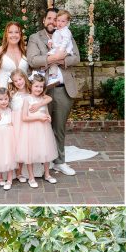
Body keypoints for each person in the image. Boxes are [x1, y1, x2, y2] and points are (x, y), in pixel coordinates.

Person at [27, 9, 81, 177]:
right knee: (40, 127)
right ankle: (40, 162)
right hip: (42, 91)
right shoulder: (35, 38)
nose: (53, 21)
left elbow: (76, 57)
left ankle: (59, 162)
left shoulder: (66, 34)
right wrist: (53, 59)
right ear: (44, 21)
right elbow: (32, 60)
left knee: (59, 128)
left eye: (56, 19)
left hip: (63, 89)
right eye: (49, 18)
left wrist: (61, 60)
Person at [16, 72, 58, 188]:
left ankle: (47, 174)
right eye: (36, 86)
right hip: (31, 130)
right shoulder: (27, 99)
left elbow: (46, 112)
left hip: (44, 129)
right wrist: (38, 117)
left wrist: (48, 117)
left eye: (41, 86)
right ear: (31, 86)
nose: (38, 89)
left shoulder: (43, 99)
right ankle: (31, 177)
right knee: (30, 152)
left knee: (45, 150)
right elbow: (24, 117)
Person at [0, 22, 29, 92]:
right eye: (10, 32)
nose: (14, 35)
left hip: (24, 95)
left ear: (20, 34)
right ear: (6, 35)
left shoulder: (25, 50)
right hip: (5, 96)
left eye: (17, 32)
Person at [9, 68, 31, 183]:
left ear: (24, 78)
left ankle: (26, 172)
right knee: (17, 147)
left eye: (20, 79)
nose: (18, 82)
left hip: (27, 123)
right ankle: (17, 172)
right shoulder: (13, 94)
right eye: (15, 81)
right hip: (16, 124)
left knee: (26, 147)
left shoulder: (31, 92)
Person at [46, 9, 75, 88]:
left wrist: (61, 50)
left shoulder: (66, 31)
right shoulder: (57, 31)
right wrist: (50, 41)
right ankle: (53, 77)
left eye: (63, 21)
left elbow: (65, 41)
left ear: (67, 23)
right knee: (51, 61)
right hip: (58, 49)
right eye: (58, 20)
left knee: (52, 60)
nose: (60, 23)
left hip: (64, 50)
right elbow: (56, 39)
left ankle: (53, 77)